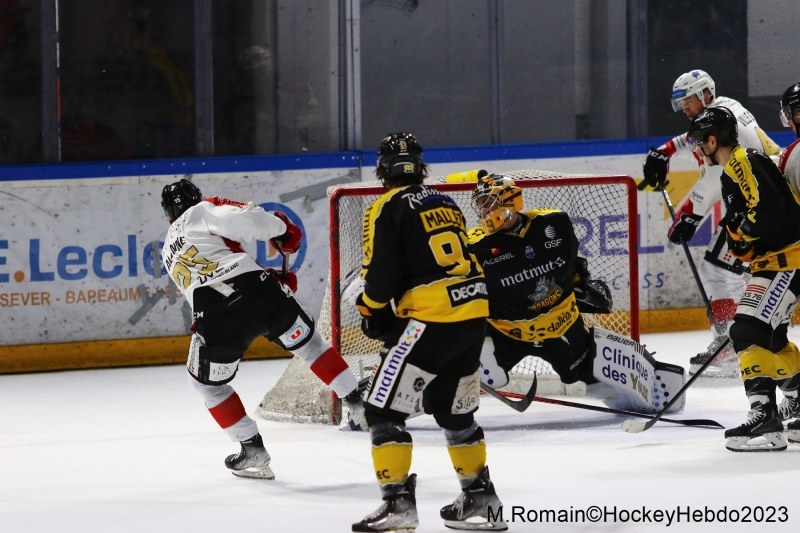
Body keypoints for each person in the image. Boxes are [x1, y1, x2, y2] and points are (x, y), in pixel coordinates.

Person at [160, 179, 367, 480]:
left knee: (207, 386)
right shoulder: (203, 210)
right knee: (310, 346)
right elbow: (248, 221)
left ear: (168, 214)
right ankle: (358, 404)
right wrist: (281, 228)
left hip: (214, 315)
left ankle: (251, 448)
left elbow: (211, 272)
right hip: (259, 292)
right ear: (197, 197)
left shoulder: (168, 248)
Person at [352, 133, 506, 532]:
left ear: (383, 171)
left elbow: (380, 276)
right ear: (421, 169)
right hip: (473, 315)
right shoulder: (445, 201)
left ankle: (398, 506)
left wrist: (369, 309)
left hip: (428, 319)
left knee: (382, 411)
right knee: (455, 412)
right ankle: (481, 498)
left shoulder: (384, 206)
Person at [465, 174, 686, 414]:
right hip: (506, 333)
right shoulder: (475, 246)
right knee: (471, 371)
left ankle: (649, 394)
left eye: (488, 202)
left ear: (510, 199)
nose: (484, 210)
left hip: (562, 326)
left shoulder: (553, 223)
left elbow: (571, 265)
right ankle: (443, 409)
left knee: (596, 378)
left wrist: (583, 286)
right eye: (481, 204)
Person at [643, 70, 781, 377]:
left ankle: (734, 342)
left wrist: (689, 216)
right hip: (764, 200)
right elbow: (693, 137)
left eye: (688, 102)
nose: (685, 110)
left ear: (706, 94)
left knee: (719, 270)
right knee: (728, 271)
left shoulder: (721, 124)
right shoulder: (723, 109)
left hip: (762, 206)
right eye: (680, 105)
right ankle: (740, 338)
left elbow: (716, 178)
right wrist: (665, 151)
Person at [685, 106, 800, 451]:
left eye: (699, 142)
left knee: (746, 331)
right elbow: (754, 220)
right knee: (772, 340)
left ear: (712, 140)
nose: (698, 149)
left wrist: (742, 232)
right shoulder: (730, 171)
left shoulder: (742, 160)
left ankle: (763, 415)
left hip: (787, 261)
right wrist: (740, 239)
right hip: (773, 263)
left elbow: (770, 211)